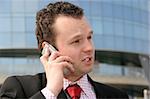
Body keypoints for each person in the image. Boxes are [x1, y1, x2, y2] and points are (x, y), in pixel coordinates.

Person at [0, 1, 129, 99]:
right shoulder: (18, 88)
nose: (89, 47)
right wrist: (50, 92)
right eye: (76, 41)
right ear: (48, 49)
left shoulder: (118, 96)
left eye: (89, 37)